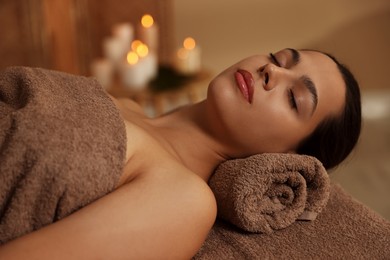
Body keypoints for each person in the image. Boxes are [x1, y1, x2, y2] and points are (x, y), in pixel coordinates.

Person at [0, 48, 361, 259]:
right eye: (279, 58)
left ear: (289, 158)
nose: (272, 71)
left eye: (293, 97)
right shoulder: (121, 103)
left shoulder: (184, 200)